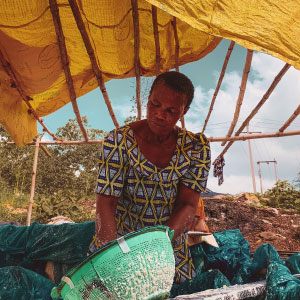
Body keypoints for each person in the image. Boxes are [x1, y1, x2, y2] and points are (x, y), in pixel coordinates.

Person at [88, 71, 211, 284]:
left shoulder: (196, 147)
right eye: (154, 104)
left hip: (167, 246)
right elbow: (106, 203)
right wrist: (112, 257)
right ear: (148, 100)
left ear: (184, 111)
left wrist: (157, 248)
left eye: (171, 110)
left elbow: (187, 205)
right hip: (118, 242)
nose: (160, 115)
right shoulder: (119, 141)